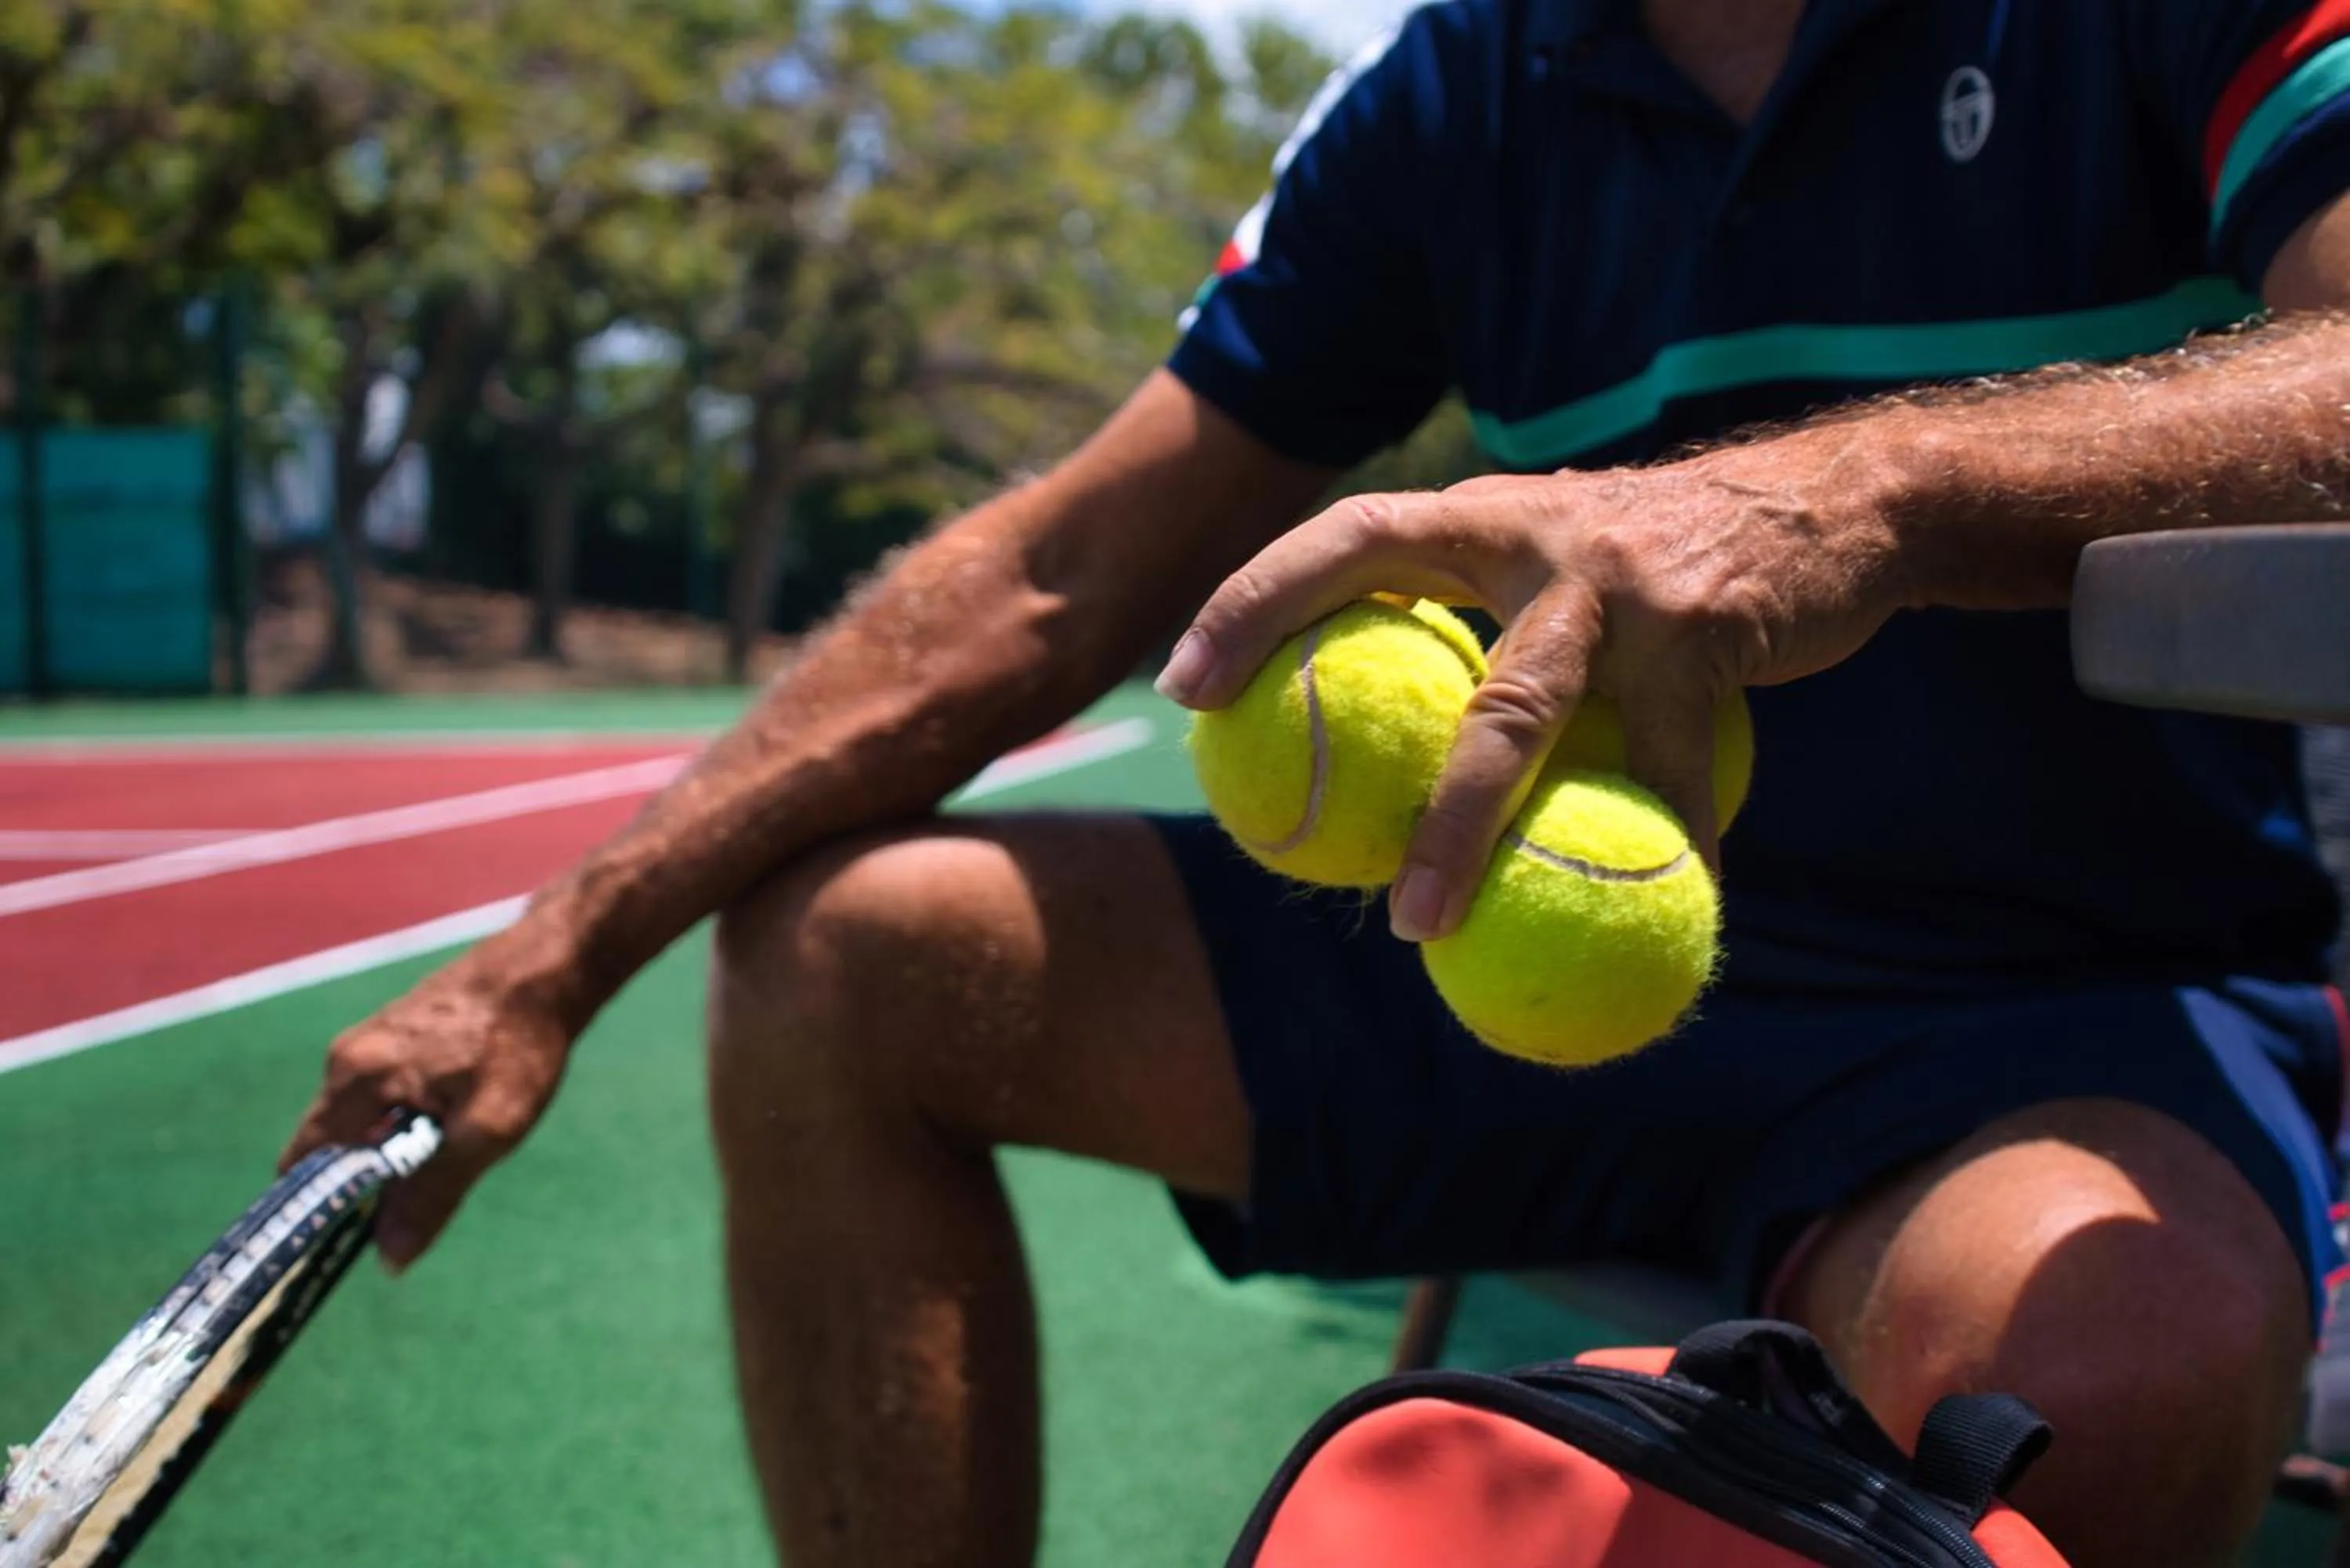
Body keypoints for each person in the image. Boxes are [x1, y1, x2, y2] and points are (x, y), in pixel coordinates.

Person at [283, 0, 2350, 1563]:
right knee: (849, 958)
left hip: (2049, 1021)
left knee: (2109, 1383)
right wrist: (556, 952)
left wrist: (1861, 493)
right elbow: (1058, 566)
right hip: (1489, 964)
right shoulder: (1460, 91)